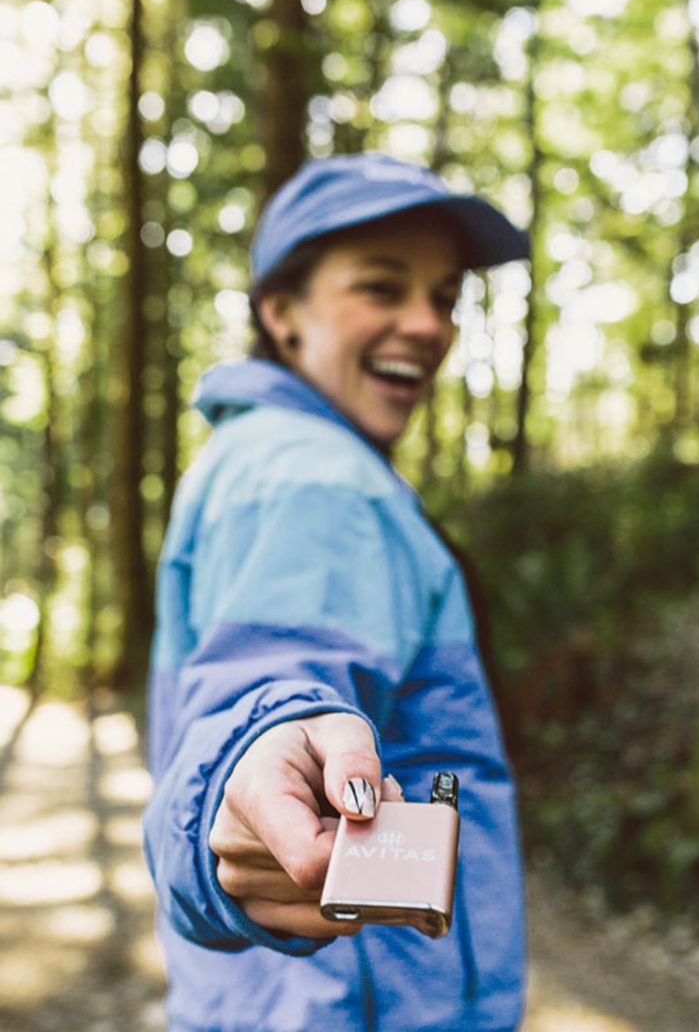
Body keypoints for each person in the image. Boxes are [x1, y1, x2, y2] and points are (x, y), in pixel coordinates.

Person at [143, 152, 529, 1032]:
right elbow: (269, 688)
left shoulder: (257, 456)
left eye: (444, 298)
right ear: (281, 313)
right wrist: (251, 769)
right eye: (383, 288)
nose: (427, 324)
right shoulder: (318, 479)